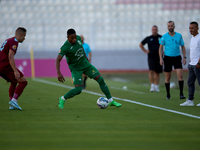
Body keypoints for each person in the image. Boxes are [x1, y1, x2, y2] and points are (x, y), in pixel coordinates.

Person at [55, 28, 121, 109]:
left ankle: (111, 101)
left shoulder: (78, 38)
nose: (74, 39)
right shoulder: (65, 47)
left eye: (75, 37)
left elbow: (81, 48)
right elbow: (58, 60)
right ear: (67, 37)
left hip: (85, 64)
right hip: (76, 69)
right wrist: (58, 73)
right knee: (78, 90)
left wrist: (86, 57)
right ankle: (62, 99)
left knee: (100, 79)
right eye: (72, 38)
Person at [0, 27, 27, 110]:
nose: (24, 38)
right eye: (24, 36)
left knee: (14, 81)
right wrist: (15, 70)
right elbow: (10, 56)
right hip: (5, 64)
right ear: (21, 35)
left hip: (1, 65)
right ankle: (14, 101)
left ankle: (12, 104)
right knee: (23, 82)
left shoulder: (9, 40)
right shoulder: (14, 42)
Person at [159, 21, 186, 100]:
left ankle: (181, 94)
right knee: (167, 77)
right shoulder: (164, 36)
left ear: (174, 26)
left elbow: (183, 46)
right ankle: (168, 94)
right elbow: (160, 48)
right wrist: (161, 58)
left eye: (171, 26)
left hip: (177, 57)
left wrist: (184, 57)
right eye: (169, 26)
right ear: (167, 27)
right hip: (167, 58)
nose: (170, 27)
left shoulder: (179, 36)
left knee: (180, 75)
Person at [180, 21, 200, 106]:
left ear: (197, 28)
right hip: (192, 64)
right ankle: (190, 100)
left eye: (192, 28)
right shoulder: (192, 38)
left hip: (198, 65)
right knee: (190, 83)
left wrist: (199, 62)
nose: (190, 30)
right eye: (189, 28)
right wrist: (191, 61)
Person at [139, 25, 162, 92]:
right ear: (152, 30)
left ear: (157, 30)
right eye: (153, 29)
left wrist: (163, 52)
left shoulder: (161, 37)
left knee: (157, 72)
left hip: (159, 57)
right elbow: (141, 44)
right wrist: (145, 51)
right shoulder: (149, 38)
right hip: (151, 57)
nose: (154, 31)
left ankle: (156, 86)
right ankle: (152, 86)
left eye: (155, 29)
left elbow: (166, 44)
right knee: (151, 71)